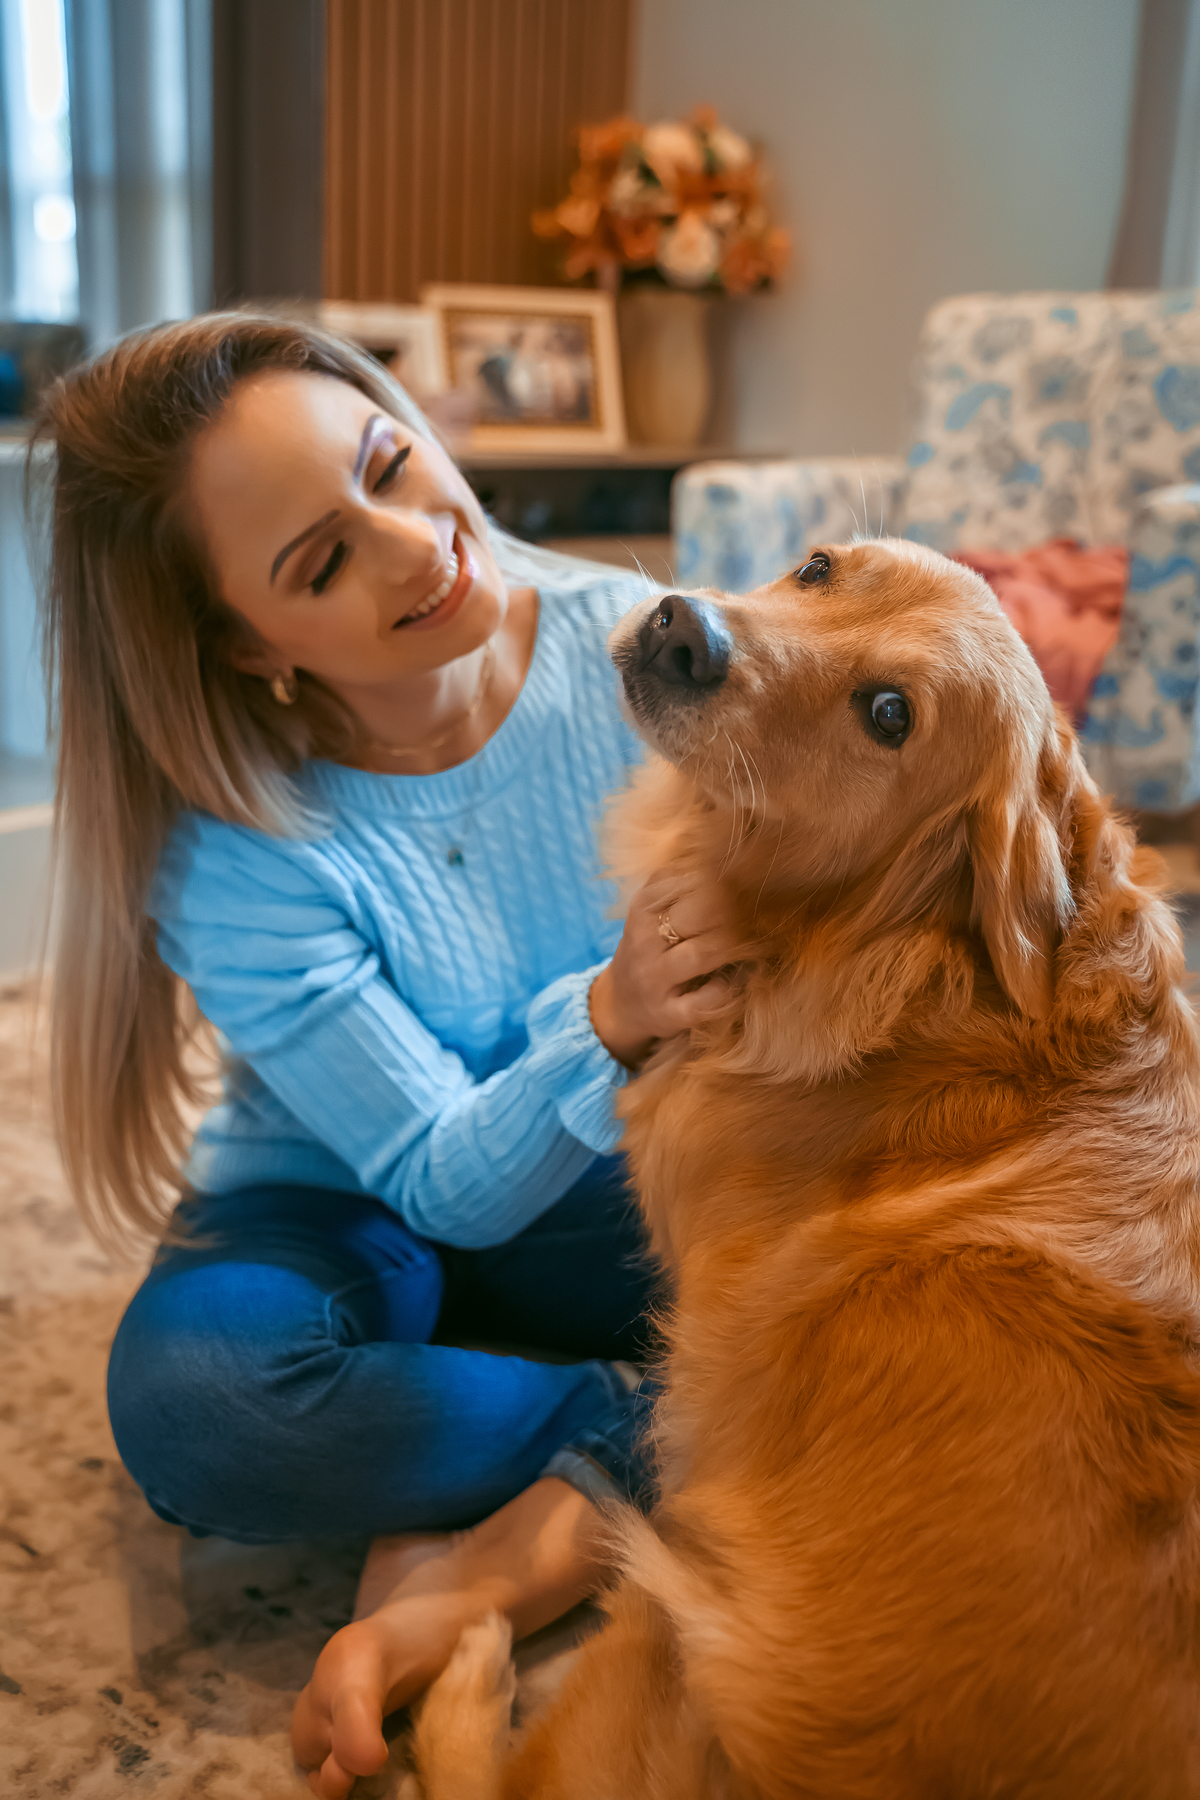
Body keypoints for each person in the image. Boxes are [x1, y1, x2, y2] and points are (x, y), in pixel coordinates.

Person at [34, 314, 736, 1800]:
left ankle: (512, 1480)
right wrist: (604, 1016)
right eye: (322, 564)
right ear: (245, 642)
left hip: (629, 1169)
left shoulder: (642, 651)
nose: (417, 548)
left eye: (390, 468)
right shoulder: (232, 842)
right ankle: (642, 1426)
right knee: (200, 1410)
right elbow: (440, 1181)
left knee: (907, 1290)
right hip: (357, 1198)